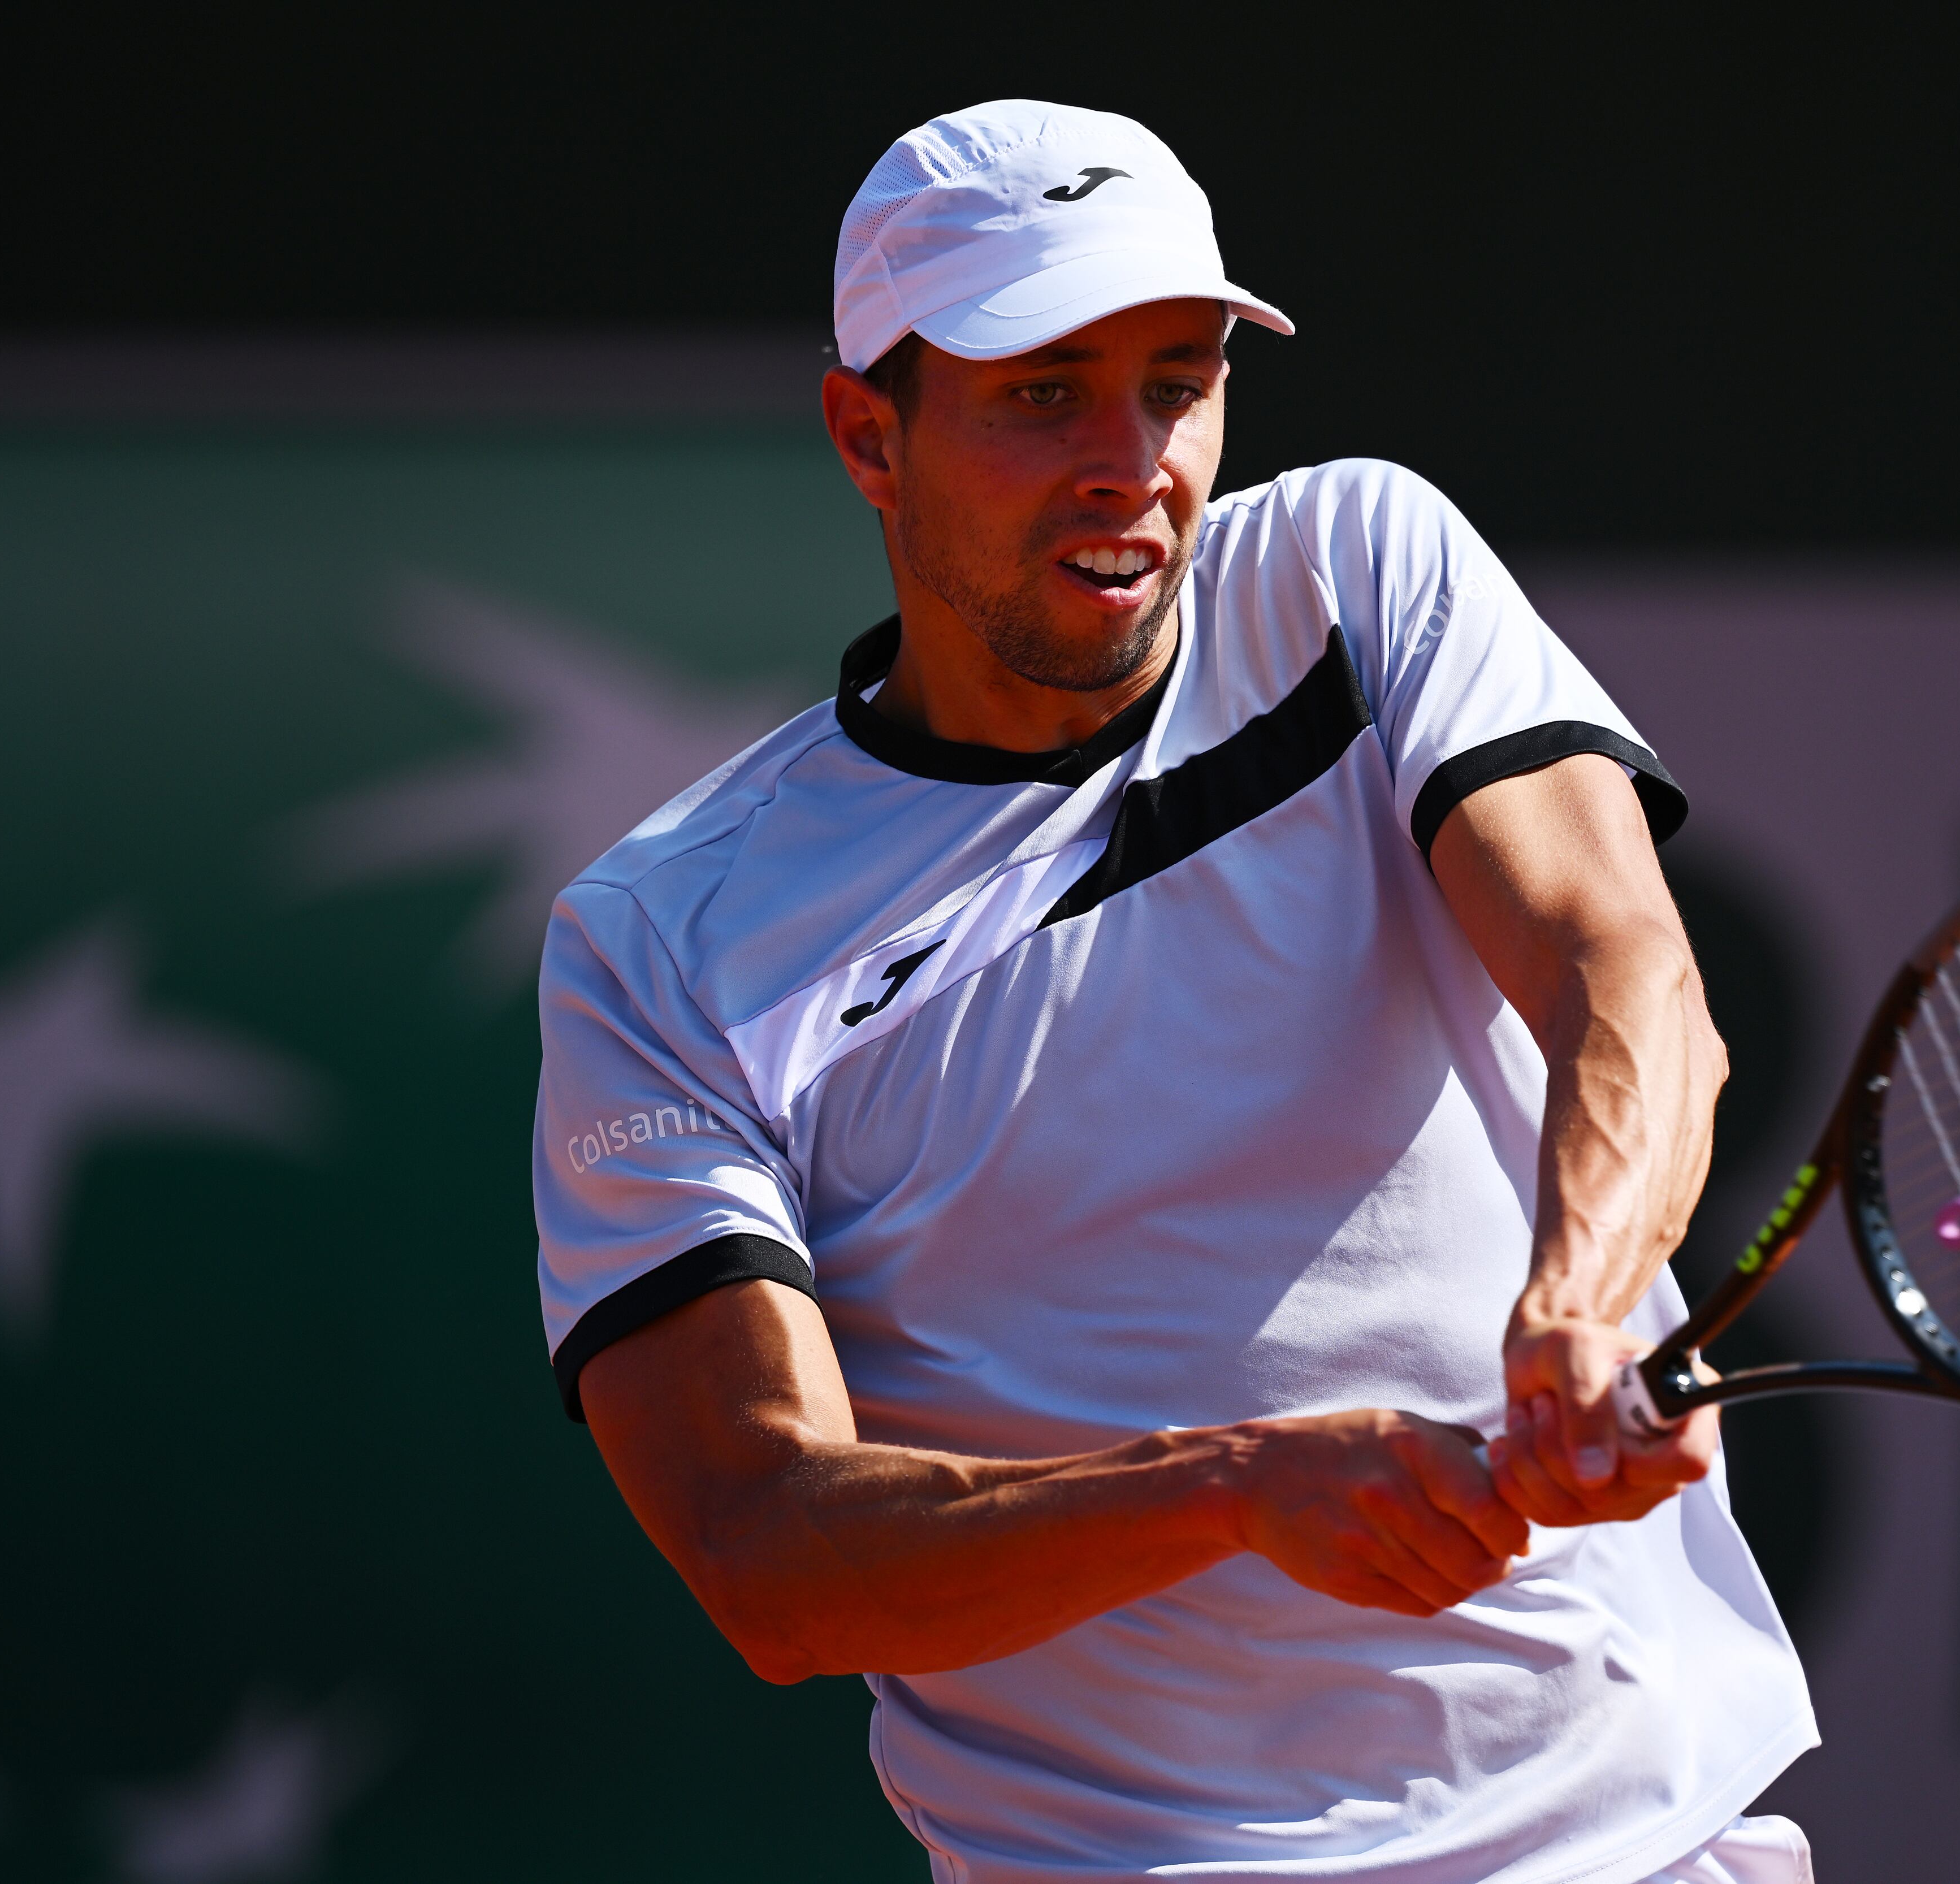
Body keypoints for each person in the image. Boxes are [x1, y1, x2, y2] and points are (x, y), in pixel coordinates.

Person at [533, 100, 1816, 1884]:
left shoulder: (1354, 573)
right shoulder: (666, 944)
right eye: (1043, 392)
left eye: (1178, 380)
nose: (1132, 459)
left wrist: (1579, 1311)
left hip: (1637, 1848)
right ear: (867, 436)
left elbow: (1626, 970)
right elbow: (767, 1546)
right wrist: (1235, 1488)